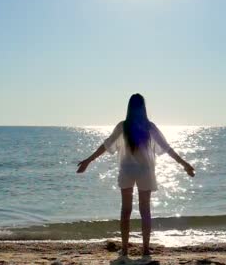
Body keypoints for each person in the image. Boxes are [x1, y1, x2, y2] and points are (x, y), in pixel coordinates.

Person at [76, 93, 195, 257]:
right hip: (145, 171)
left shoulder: (123, 126)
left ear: (129, 108)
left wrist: (88, 161)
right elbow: (167, 148)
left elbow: (106, 146)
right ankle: (145, 249)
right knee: (145, 211)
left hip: (127, 171)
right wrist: (184, 164)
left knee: (126, 211)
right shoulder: (149, 126)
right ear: (143, 108)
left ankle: (124, 249)